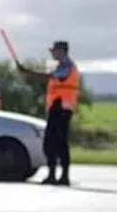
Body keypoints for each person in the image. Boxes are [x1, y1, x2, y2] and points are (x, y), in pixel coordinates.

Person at [18, 41, 80, 186]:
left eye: (55, 50)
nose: (52, 53)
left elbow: (51, 77)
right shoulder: (61, 67)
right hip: (56, 107)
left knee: (60, 143)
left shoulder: (68, 67)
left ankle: (63, 176)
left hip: (62, 108)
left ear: (62, 51)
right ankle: (52, 174)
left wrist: (28, 72)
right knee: (51, 144)